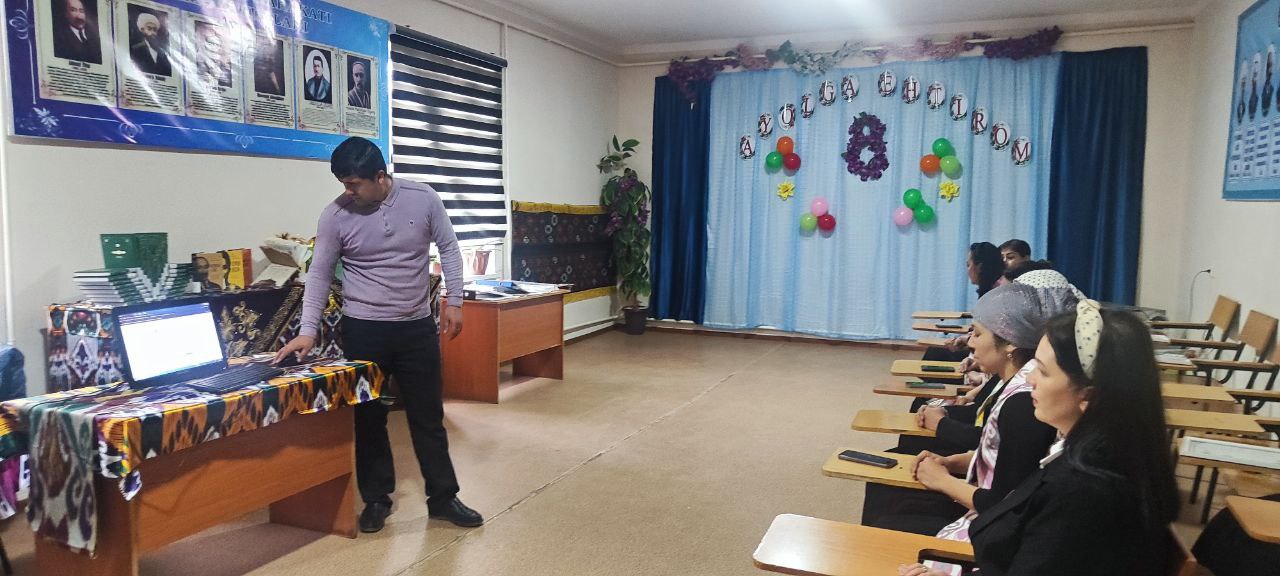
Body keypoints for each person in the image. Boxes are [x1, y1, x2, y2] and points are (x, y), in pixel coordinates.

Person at [274, 137, 481, 533]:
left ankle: (443, 498)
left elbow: (450, 249)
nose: (347, 192)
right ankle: (376, 499)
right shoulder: (335, 215)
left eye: (354, 184)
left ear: (380, 176)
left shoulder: (423, 198)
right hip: (364, 329)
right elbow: (319, 274)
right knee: (369, 418)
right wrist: (308, 330)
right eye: (343, 184)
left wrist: (455, 300)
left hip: (416, 328)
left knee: (428, 417)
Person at [898, 303, 1179, 576]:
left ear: (1087, 397)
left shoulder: (1081, 493)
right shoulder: (1109, 451)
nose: (1030, 379)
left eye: (1043, 371)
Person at [864, 283, 1062, 536]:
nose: (970, 342)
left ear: (1010, 343)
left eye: (977, 334)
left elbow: (1005, 506)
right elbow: (999, 456)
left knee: (888, 523)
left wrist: (943, 480)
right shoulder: (1013, 382)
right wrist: (951, 462)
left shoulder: (1023, 404)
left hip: (988, 529)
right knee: (884, 488)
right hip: (982, 498)